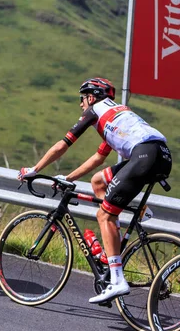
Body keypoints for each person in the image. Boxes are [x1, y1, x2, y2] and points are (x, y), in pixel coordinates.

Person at [18, 77, 172, 304]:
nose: (81, 105)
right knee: (99, 182)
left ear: (91, 97)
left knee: (104, 215)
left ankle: (117, 280)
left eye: (82, 99)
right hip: (159, 154)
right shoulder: (116, 115)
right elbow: (99, 158)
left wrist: (34, 169)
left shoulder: (95, 111)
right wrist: (68, 177)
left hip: (144, 156)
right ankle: (131, 222)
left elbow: (63, 144)